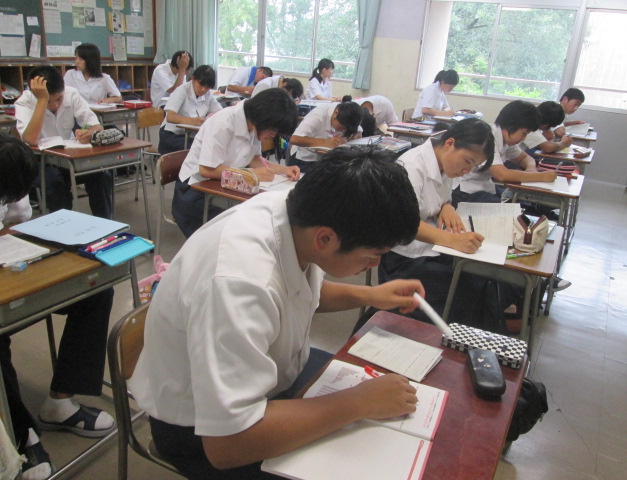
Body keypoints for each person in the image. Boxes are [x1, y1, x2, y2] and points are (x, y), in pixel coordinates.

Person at [129, 146, 425, 480]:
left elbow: (294, 292)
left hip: (272, 379)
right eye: (372, 256)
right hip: (198, 429)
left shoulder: (297, 212)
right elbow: (228, 445)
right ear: (325, 239)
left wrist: (371, 295)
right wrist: (358, 403)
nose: (374, 265)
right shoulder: (239, 281)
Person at [0, 134, 115, 480]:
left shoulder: (8, 170)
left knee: (96, 292)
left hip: (9, 261)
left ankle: (60, 401)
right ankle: (21, 435)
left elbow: (19, 220)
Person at [354, 119, 497, 332]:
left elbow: (440, 199)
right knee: (466, 286)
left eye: (473, 166)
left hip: (431, 248)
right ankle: (448, 338)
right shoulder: (411, 166)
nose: (467, 171)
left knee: (480, 278)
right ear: (450, 143)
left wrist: (447, 207)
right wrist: (452, 240)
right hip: (404, 258)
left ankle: (473, 338)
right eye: (467, 161)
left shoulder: (445, 165)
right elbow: (403, 222)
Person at [173, 88, 300, 238]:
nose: (273, 136)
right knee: (236, 233)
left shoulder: (253, 125)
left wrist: (284, 170)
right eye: (273, 131)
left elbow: (254, 159)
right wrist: (250, 175)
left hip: (223, 186)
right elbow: (206, 170)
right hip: (195, 190)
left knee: (253, 221)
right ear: (262, 117)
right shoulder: (224, 122)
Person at [15, 66, 112, 219]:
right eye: (49, 101)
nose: (55, 105)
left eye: (59, 99)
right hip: (40, 161)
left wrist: (88, 133)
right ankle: (64, 225)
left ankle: (105, 223)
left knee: (101, 174)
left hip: (68, 157)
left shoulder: (71, 93)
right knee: (55, 183)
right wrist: (42, 100)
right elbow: (31, 139)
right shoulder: (24, 102)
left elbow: (96, 126)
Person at [452, 100, 557, 206]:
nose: (523, 138)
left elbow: (525, 158)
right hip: (464, 190)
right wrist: (540, 177)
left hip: (483, 185)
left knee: (522, 203)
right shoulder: (487, 137)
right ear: (511, 125)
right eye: (524, 133)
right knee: (513, 208)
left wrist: (531, 168)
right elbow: (502, 174)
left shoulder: (505, 140)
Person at [158, 65, 222, 155]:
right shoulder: (182, 90)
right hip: (171, 134)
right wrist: (191, 121)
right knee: (198, 148)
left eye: (207, 88)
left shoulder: (207, 95)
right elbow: (170, 117)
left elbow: (220, 112)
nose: (203, 90)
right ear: (193, 79)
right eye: (201, 85)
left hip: (191, 135)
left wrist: (209, 118)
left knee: (212, 145)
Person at [289, 98, 362, 173]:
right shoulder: (318, 115)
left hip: (325, 159)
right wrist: (325, 142)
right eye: (341, 128)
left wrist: (350, 137)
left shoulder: (349, 116)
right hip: (303, 159)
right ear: (336, 113)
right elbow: (294, 139)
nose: (342, 131)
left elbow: (358, 132)